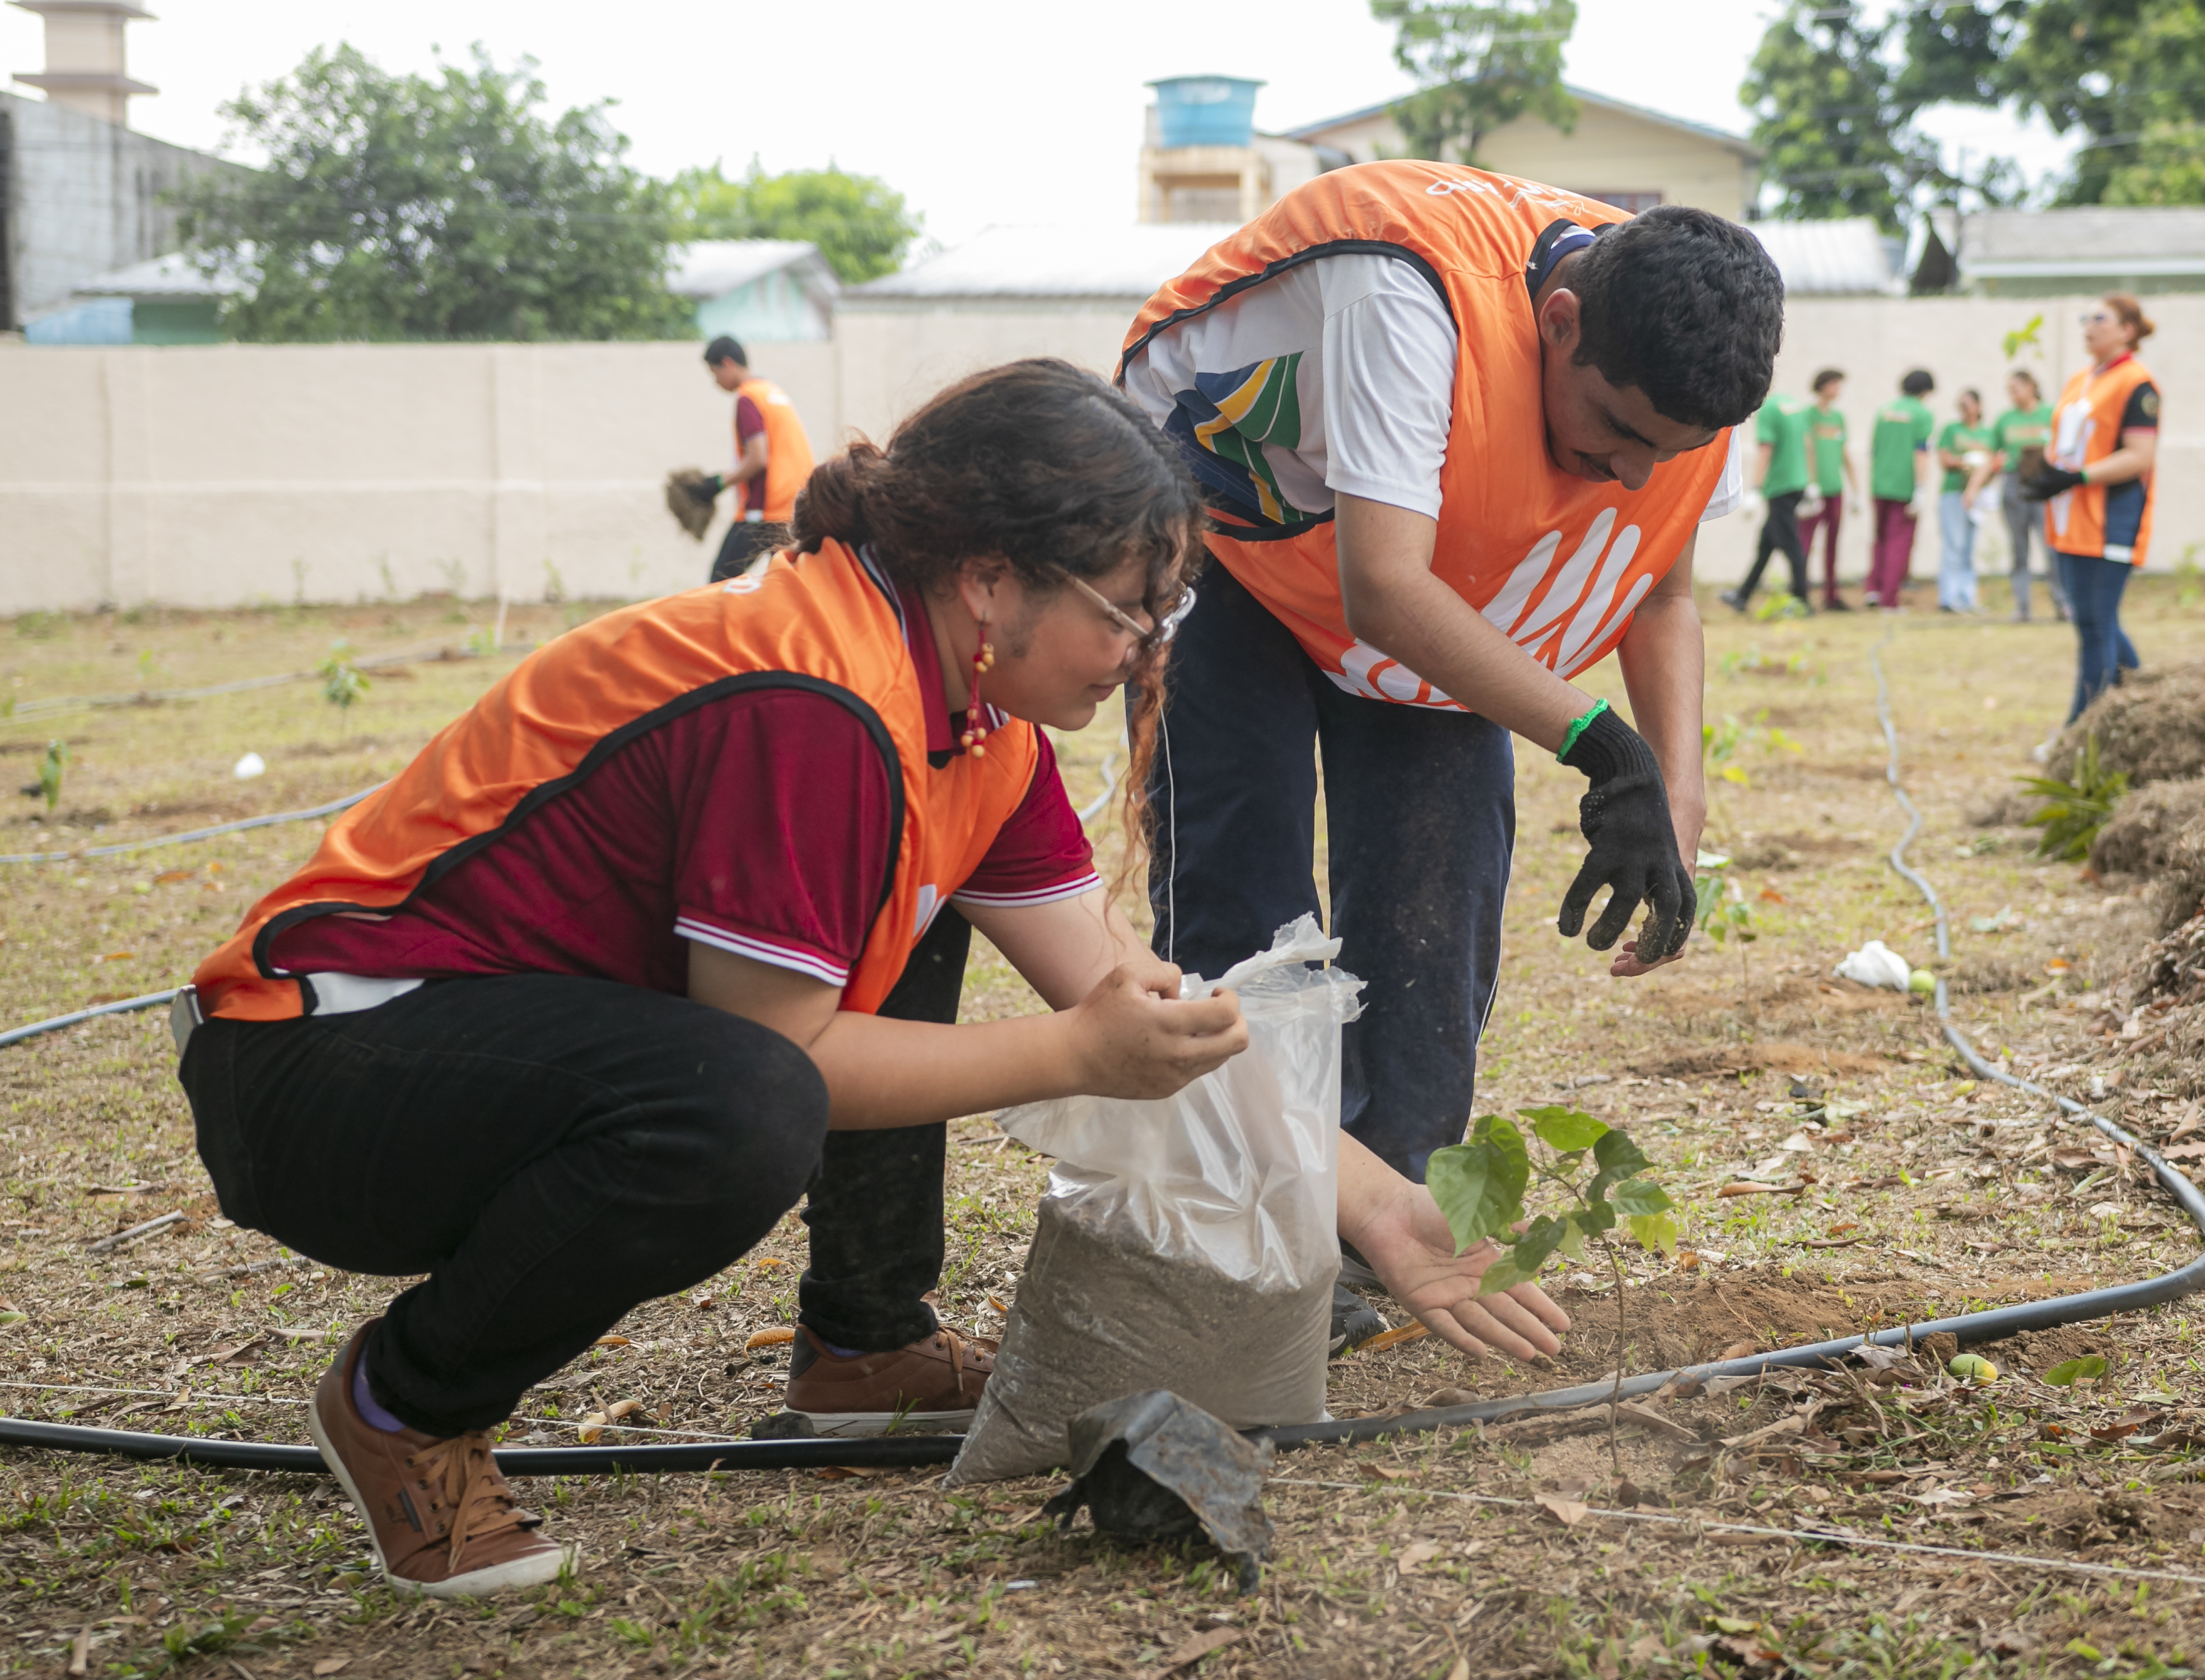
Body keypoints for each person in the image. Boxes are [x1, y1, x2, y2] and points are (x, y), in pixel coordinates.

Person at [176, 361, 1570, 1599]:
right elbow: (793, 1051)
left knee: (862, 966)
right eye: (1129, 615)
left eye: (1167, 614)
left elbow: (1125, 992)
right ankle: (403, 1405)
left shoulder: (971, 726)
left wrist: (1379, 1205)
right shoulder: (816, 700)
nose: (1149, 655)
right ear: (986, 577)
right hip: (318, 1071)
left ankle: (861, 1349)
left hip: (481, 1053)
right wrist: (1073, 1056)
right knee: (740, 1103)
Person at [1118, 162, 1774, 1229]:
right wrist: (1604, 746)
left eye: (1673, 451)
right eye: (1618, 430)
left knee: (1439, 897)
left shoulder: (1687, 368)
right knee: (1245, 887)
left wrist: (1675, 805)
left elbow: (1660, 594)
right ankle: (1251, 1228)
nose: (1633, 474)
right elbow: (1382, 588)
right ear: (1558, 325)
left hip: (1419, 564)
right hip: (1229, 535)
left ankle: (1394, 1219)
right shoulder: (1407, 296)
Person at [2026, 296, 2161, 721]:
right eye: (2086, 318)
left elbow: (2140, 456)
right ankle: (2149, 707)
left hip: (2111, 523)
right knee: (2097, 621)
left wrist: (2077, 477)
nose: (2089, 326)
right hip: (2071, 522)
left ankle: (2078, 734)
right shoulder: (2079, 380)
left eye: (2100, 319)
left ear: (2127, 330)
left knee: (2093, 626)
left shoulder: (2137, 384)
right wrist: (2048, 477)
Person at [690, 335, 814, 584]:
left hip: (764, 511)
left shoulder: (748, 397)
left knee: (720, 584)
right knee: (788, 586)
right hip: (794, 505)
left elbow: (758, 458)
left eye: (715, 373)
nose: (716, 382)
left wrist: (717, 484)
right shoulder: (773, 392)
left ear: (728, 364)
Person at [1720, 379, 1814, 613]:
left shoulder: (1769, 411)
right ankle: (1743, 595)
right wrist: (1811, 482)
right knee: (1767, 544)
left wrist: (1755, 488)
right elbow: (1808, 444)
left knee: (1791, 545)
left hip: (1780, 486)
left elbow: (1766, 449)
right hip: (1797, 483)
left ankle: (1802, 600)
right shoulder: (1793, 405)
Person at [1988, 370, 2066, 623]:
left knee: (2051, 548)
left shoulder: (2050, 415)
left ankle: (2062, 603)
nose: (2013, 393)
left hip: (2044, 484)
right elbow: (1993, 455)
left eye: (2016, 388)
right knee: (2019, 549)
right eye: (2009, 389)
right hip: (2014, 485)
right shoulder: (2005, 420)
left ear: (2031, 386)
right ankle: (2022, 606)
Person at [1864, 370, 1936, 609]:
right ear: (1925, 391)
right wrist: (1920, 488)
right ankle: (1890, 599)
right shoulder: (1922, 414)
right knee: (1899, 542)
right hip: (1904, 487)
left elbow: (1874, 448)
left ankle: (1873, 589)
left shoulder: (1884, 411)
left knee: (1880, 539)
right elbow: (1921, 452)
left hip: (1879, 483)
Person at [1798, 368, 1858, 612]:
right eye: (1834, 384)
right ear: (1823, 386)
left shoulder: (1838, 418)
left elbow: (1844, 452)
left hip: (1835, 488)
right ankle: (1801, 593)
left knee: (1833, 543)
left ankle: (1832, 594)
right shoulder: (1808, 415)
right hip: (1815, 490)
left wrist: (1856, 488)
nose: (1838, 390)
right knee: (1805, 543)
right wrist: (1810, 484)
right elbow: (1807, 448)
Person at [1934, 389, 1996, 614]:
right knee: (1953, 545)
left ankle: (1967, 595)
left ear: (1978, 407)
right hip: (1954, 492)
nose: (1964, 410)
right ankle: (1949, 597)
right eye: (1960, 405)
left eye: (1968, 405)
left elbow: (1994, 461)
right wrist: (1966, 462)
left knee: (1969, 547)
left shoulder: (1988, 433)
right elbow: (1945, 458)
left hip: (1978, 497)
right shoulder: (1951, 430)